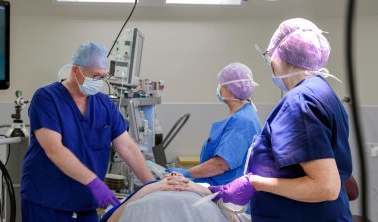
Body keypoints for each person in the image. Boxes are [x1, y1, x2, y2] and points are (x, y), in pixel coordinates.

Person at [209, 18, 353, 221]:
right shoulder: (322, 92)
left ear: (283, 55)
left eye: (269, 56)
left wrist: (254, 183)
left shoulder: (300, 102)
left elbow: (325, 187)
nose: (270, 64)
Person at [20, 42, 155, 222]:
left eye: (103, 77)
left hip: (86, 204)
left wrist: (153, 186)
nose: (98, 81)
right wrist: (93, 182)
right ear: (76, 70)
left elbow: (127, 147)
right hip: (47, 202)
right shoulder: (46, 98)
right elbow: (54, 150)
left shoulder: (104, 104)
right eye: (95, 76)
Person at [166, 62, 262, 186]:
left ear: (229, 89)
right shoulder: (243, 115)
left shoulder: (242, 121)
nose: (219, 88)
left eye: (221, 85)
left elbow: (221, 165)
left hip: (225, 195)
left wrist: (187, 173)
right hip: (218, 187)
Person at [102, 173, 246, 222]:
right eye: (169, 175)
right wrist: (151, 187)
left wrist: (202, 190)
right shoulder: (149, 189)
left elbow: (233, 217)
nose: (174, 176)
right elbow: (111, 219)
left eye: (179, 175)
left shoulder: (201, 190)